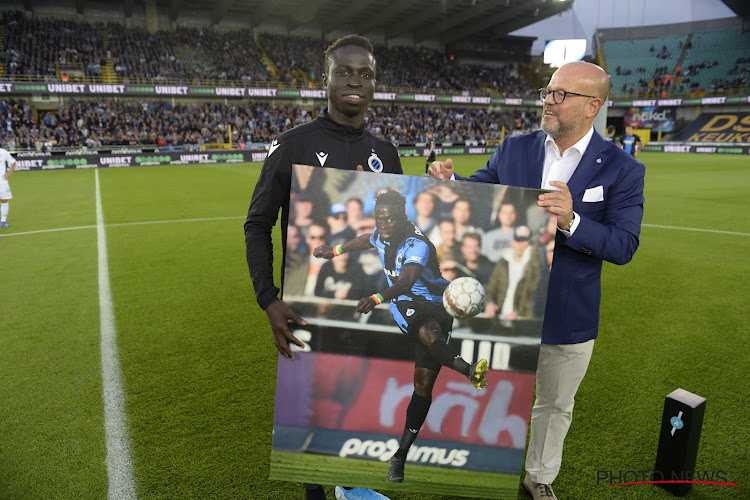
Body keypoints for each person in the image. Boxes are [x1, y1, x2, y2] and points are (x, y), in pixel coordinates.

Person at [429, 61, 645, 500]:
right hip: (505, 306)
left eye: (561, 94)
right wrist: (451, 182)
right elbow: (478, 192)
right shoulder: (515, 149)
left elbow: (623, 245)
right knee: (487, 389)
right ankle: (476, 470)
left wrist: (571, 220)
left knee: (554, 406)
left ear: (592, 107)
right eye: (548, 90)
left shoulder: (622, 169)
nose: (548, 99)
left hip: (569, 314)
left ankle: (538, 479)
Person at [244, 34, 402, 500]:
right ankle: (321, 491)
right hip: (311, 304)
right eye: (345, 72)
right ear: (326, 80)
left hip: (368, 301)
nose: (355, 81)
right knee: (318, 407)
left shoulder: (386, 153)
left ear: (375, 84)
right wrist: (268, 298)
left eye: (366, 74)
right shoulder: (293, 145)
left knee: (361, 397)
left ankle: (352, 487)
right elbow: (257, 224)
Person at [313, 189, 489, 485]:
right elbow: (365, 240)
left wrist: (376, 296)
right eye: (379, 219)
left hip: (436, 303)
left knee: (422, 388)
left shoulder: (416, 243)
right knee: (430, 335)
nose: (383, 225)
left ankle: (399, 457)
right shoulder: (380, 232)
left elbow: (407, 279)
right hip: (404, 304)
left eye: (389, 220)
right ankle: (469, 370)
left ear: (402, 216)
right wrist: (334, 251)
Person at [483, 225, 541, 321]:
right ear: (512, 242)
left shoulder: (534, 267)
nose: (521, 244)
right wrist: (490, 304)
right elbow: (491, 289)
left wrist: (519, 313)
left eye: (525, 241)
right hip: (499, 317)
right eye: (518, 240)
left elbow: (533, 296)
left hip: (520, 321)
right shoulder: (503, 262)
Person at [0, 146, 17, 228]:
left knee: (4, 200)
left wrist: (9, 173)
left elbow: (13, 162)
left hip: (2, 181)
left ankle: (3, 221)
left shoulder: (3, 152)